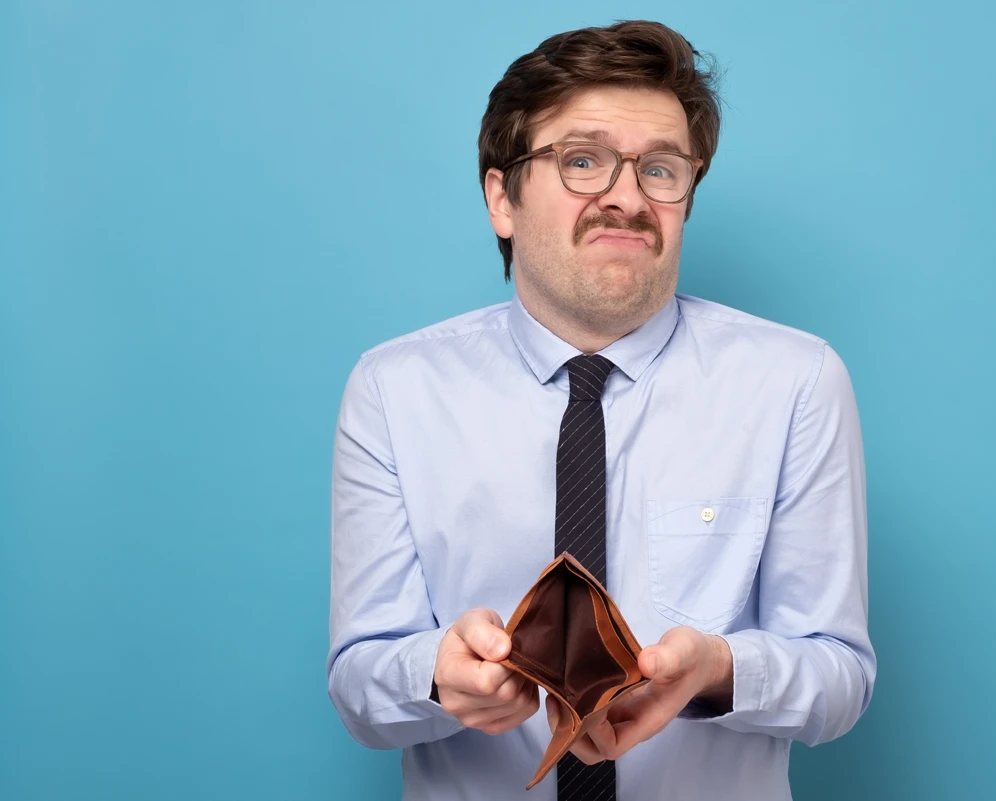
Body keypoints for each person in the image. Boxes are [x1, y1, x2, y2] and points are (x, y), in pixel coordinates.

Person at [326, 19, 875, 801]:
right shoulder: (394, 390)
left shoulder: (794, 382)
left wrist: (720, 671)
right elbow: (358, 684)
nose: (626, 197)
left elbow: (839, 674)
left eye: (661, 168)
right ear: (501, 198)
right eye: (582, 161)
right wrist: (436, 676)